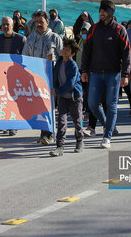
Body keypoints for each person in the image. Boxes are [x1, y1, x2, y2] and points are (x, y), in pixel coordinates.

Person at [81, 0, 131, 149]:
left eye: (104, 11)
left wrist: (125, 74)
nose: (101, 13)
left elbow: (127, 52)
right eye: (100, 11)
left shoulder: (119, 29)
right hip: (95, 74)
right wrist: (84, 70)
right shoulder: (94, 29)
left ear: (110, 13)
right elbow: (86, 51)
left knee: (111, 105)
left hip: (113, 75)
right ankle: (108, 126)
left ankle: (107, 136)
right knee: (92, 104)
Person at [22, 10, 63, 145]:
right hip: (34, 79)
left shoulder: (54, 38)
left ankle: (49, 134)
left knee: (49, 106)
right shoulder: (30, 39)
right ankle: (43, 133)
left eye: (42, 22)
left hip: (50, 79)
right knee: (38, 107)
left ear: (47, 22)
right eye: (37, 22)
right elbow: (25, 58)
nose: (39, 24)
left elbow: (63, 58)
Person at [49, 38, 84, 157]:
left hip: (74, 97)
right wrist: (49, 63)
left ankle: (79, 141)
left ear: (72, 54)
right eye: (64, 48)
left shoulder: (73, 66)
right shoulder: (59, 61)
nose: (64, 51)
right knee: (61, 121)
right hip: (62, 97)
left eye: (67, 50)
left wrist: (57, 91)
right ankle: (59, 147)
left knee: (77, 121)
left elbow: (70, 84)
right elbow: (52, 73)